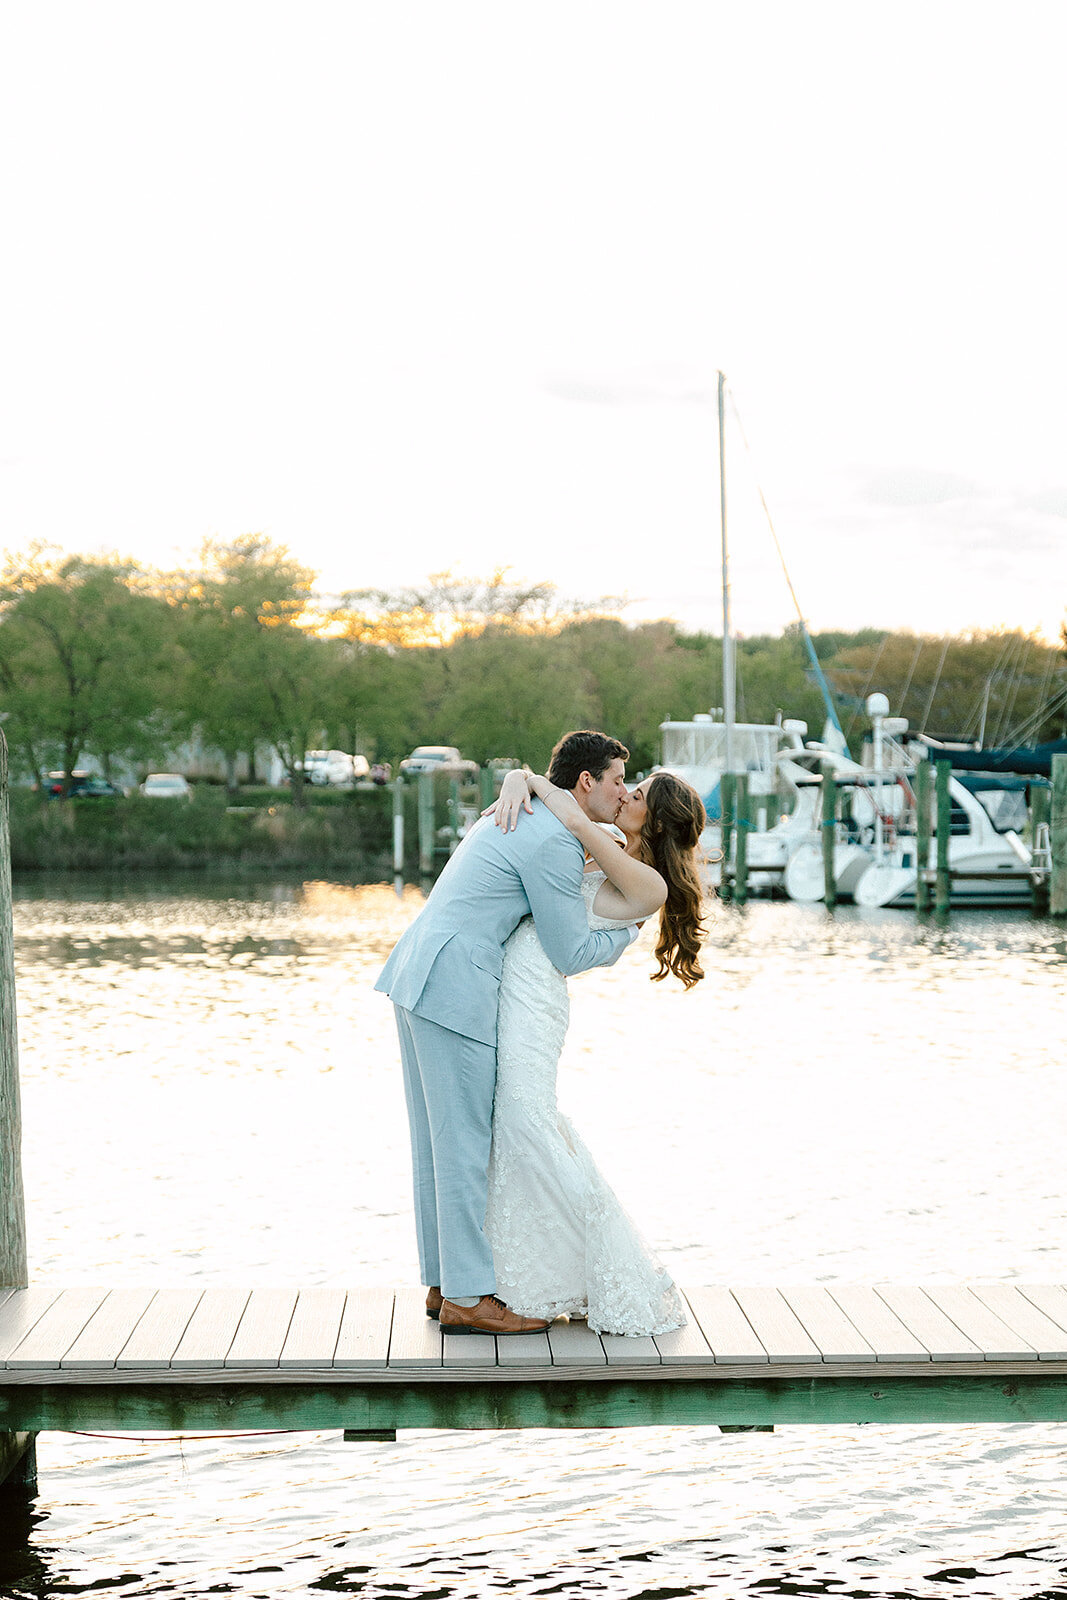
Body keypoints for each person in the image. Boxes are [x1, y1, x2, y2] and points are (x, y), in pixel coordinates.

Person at [375, 730, 640, 1336]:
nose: (624, 791)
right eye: (618, 780)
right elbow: (570, 949)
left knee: (436, 1141)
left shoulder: (523, 811)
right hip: (455, 983)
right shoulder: (552, 841)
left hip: (419, 967)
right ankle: (468, 1298)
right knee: (465, 1142)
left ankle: (445, 1281)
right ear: (586, 783)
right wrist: (631, 932)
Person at [483, 761, 707, 1336]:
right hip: (518, 979)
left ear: (653, 823)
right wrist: (519, 779)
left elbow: (577, 826)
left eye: (636, 794)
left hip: (536, 996)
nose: (624, 796)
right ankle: (533, 1270)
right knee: (520, 1122)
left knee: (524, 1119)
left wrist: (548, 794)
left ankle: (583, 1266)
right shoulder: (610, 843)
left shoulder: (647, 882)